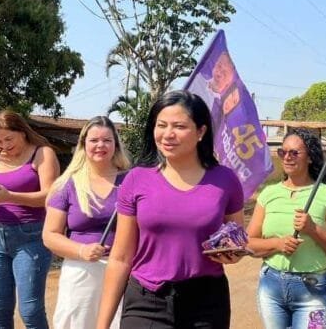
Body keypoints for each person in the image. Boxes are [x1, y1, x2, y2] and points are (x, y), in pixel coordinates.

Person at [97, 90, 245, 329]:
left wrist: (234, 253)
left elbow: (237, 240)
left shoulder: (225, 180)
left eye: (179, 126)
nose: (168, 134)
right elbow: (121, 257)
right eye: (161, 125)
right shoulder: (136, 179)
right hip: (146, 302)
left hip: (206, 304)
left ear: (201, 132)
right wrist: (102, 325)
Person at [247, 129, 326, 329]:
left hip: (312, 289)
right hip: (271, 286)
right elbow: (249, 243)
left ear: (310, 158)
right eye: (283, 152)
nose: (287, 157)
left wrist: (314, 230)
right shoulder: (268, 194)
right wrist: (278, 244)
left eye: (295, 153)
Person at [0, 110, 59, 329]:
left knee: (30, 310)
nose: (4, 145)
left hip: (31, 237)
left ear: (23, 132)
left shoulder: (42, 153)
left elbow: (51, 197)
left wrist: (9, 196)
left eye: (9, 138)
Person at [43, 116, 131, 329]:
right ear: (83, 144)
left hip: (124, 271)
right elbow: (50, 235)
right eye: (94, 140)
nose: (100, 145)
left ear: (116, 145)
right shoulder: (66, 185)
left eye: (107, 140)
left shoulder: (131, 181)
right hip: (81, 271)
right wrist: (82, 250)